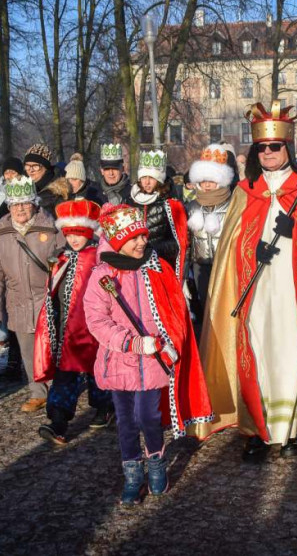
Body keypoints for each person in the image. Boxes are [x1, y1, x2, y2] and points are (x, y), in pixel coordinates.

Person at [191, 101, 297, 460]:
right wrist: (251, 250)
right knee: (258, 349)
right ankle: (256, 430)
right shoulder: (244, 192)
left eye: (275, 147)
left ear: (288, 148)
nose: (268, 153)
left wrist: (296, 231)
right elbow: (231, 245)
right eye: (262, 148)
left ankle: (295, 428)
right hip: (257, 293)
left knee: (295, 349)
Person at [83, 204, 212, 504]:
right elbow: (97, 321)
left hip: (153, 363)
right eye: (134, 239)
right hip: (119, 361)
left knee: (148, 417)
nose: (142, 242)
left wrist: (167, 341)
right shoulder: (103, 275)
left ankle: (156, 461)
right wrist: (130, 343)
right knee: (126, 421)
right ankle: (132, 472)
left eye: (143, 236)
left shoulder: (154, 268)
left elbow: (172, 309)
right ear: (117, 242)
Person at [33, 199, 113, 444]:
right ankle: (58, 422)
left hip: (96, 331)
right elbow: (54, 294)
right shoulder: (62, 258)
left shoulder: (99, 257)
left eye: (79, 234)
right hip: (69, 332)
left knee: (98, 374)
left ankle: (104, 408)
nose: (74, 240)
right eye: (69, 234)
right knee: (65, 377)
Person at [0, 176, 64, 412]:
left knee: (51, 348)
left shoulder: (51, 228)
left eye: (25, 203)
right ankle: (37, 391)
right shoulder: (0, 234)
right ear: (9, 206)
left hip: (47, 300)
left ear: (34, 203)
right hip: (17, 301)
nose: (20, 208)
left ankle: (57, 390)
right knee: (28, 351)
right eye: (16, 203)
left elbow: (65, 262)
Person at [185, 144, 238, 334]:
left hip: (226, 266)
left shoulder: (232, 204)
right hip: (201, 267)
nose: (207, 185)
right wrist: (185, 273)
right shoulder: (192, 206)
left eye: (212, 181)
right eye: (204, 180)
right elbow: (187, 241)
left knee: (226, 308)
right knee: (207, 309)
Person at [126, 149, 187, 282]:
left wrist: (152, 249)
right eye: (143, 177)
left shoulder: (171, 205)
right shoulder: (130, 202)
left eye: (151, 178)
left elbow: (180, 244)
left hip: (161, 268)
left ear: (159, 179)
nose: (146, 182)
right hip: (134, 268)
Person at [23, 143, 70, 215]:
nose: (31, 170)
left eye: (35, 166)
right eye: (27, 165)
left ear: (46, 168)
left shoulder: (59, 192)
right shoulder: (20, 188)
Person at [0, 157, 24, 238]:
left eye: (13, 172)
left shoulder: (26, 192)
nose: (9, 176)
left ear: (20, 174)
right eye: (6, 173)